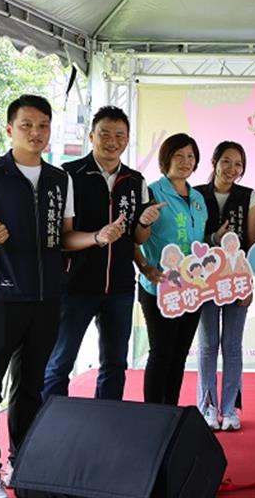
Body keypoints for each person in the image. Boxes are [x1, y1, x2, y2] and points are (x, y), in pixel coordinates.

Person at [0, 95, 123, 498]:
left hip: (47, 299)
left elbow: (64, 238)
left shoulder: (58, 179)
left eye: (43, 125)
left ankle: (22, 459)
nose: (36, 133)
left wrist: (97, 237)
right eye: (27, 125)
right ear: (10, 129)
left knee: (31, 387)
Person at [42, 106, 165, 403]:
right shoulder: (68, 175)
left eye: (119, 135)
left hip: (120, 288)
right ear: (91, 136)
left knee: (115, 363)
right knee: (59, 362)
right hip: (75, 285)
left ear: (127, 139)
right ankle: (50, 422)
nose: (112, 141)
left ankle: (107, 421)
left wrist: (144, 222)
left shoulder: (136, 181)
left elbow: (138, 238)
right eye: (105, 134)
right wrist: (97, 237)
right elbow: (58, 237)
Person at [135, 134, 208, 406]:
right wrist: (144, 222)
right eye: (179, 155)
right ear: (166, 159)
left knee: (179, 355)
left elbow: (198, 239)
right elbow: (137, 238)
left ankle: (171, 412)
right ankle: (153, 415)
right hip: (159, 286)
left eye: (190, 156)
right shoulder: (152, 192)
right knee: (161, 352)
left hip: (192, 288)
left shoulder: (198, 197)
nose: (185, 161)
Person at [194, 142, 255, 431]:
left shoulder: (249, 196)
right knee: (208, 345)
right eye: (226, 161)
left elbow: (252, 242)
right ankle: (207, 406)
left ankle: (230, 409)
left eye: (238, 164)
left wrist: (249, 284)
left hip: (236, 282)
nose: (232, 169)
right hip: (205, 282)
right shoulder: (196, 194)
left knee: (232, 346)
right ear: (214, 162)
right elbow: (192, 240)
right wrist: (213, 238)